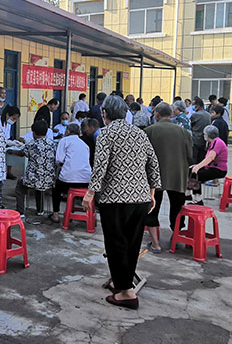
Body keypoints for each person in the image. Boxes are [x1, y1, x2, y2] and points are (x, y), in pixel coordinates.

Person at [82, 95, 161, 310]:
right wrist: (152, 192)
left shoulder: (106, 133)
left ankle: (126, 292)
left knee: (115, 244)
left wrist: (90, 193)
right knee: (131, 243)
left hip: (115, 198)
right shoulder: (140, 133)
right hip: (140, 198)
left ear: (105, 113)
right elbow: (153, 163)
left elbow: (100, 166)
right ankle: (121, 282)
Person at [145, 102, 192, 252]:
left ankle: (155, 244)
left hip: (155, 177)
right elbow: (190, 156)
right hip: (178, 176)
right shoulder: (183, 132)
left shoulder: (149, 131)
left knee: (152, 208)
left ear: (157, 114)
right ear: (171, 114)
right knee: (177, 208)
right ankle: (175, 237)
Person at [14, 120, 57, 217]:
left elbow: (21, 153)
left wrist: (12, 151)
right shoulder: (52, 143)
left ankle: (20, 211)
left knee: (20, 185)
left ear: (34, 132)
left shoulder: (31, 144)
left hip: (33, 179)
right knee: (40, 187)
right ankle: (40, 210)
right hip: (49, 179)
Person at [51, 123, 91, 223]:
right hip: (86, 180)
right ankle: (86, 214)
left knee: (56, 190)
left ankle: (55, 214)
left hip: (68, 179)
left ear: (68, 131)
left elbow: (59, 160)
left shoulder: (64, 140)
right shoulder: (84, 145)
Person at [189, 125, 229, 205]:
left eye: (205, 134)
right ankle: (188, 194)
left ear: (207, 135)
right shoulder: (213, 142)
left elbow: (210, 158)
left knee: (196, 175)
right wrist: (196, 166)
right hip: (212, 167)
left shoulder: (217, 143)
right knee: (190, 170)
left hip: (219, 169)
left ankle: (198, 199)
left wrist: (198, 167)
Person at [0, 105, 21, 179]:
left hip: (3, 145)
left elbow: (7, 137)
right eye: (13, 118)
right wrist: (8, 142)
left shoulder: (8, 124)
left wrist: (13, 142)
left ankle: (8, 172)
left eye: (16, 119)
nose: (14, 121)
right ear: (7, 115)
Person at [190, 97, 211, 164]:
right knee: (202, 160)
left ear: (198, 105)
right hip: (204, 140)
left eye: (193, 105)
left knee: (194, 160)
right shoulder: (208, 115)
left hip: (195, 140)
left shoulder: (195, 115)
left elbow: (190, 125)